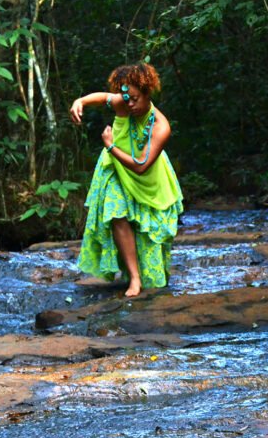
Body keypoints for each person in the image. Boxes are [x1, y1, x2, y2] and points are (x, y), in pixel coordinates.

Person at [69, 62, 183, 297]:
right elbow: (103, 97)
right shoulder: (123, 101)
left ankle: (147, 273)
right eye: (126, 98)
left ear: (147, 93)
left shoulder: (161, 126)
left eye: (134, 99)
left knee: (148, 226)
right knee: (116, 213)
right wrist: (79, 101)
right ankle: (134, 278)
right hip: (116, 170)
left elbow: (141, 165)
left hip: (145, 176)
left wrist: (110, 146)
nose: (129, 104)